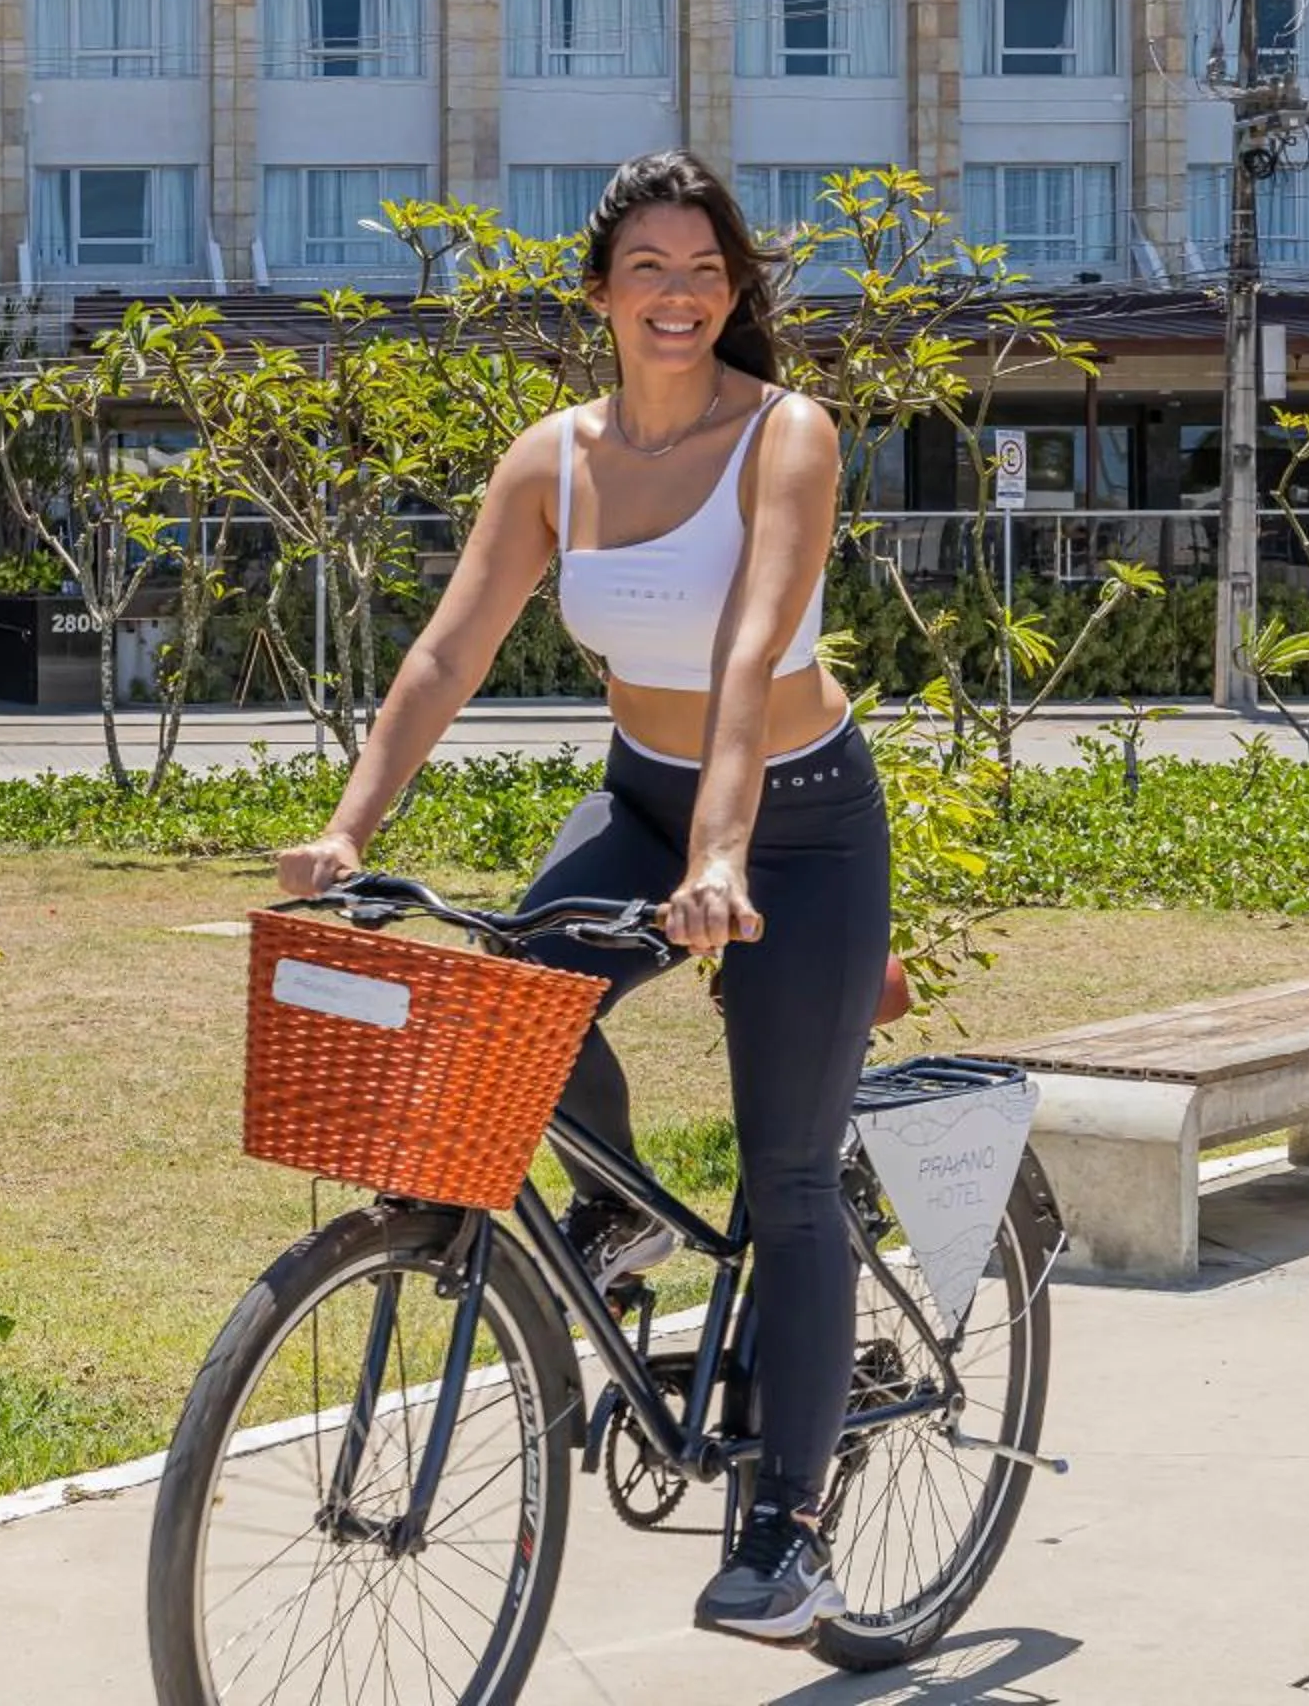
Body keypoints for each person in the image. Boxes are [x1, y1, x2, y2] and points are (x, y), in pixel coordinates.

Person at [274, 150, 890, 1647]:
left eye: (704, 271)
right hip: (643, 798)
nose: (678, 296)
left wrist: (725, 856)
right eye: (647, 270)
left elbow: (749, 652)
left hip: (799, 825)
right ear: (601, 294)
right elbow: (447, 651)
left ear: (733, 291)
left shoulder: (786, 436)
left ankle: (790, 1531)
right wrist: (348, 830)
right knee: (505, 1000)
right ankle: (619, 1210)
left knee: (787, 1173)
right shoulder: (553, 458)